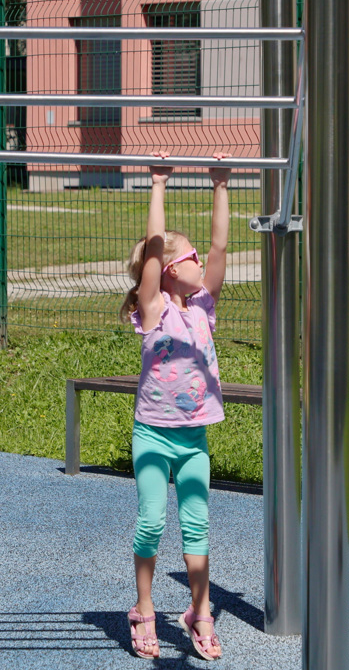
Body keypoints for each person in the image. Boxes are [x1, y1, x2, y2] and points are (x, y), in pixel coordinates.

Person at [118, 151, 232, 661]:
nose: (199, 264)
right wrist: (158, 184)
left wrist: (221, 185)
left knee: (197, 524)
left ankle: (198, 611)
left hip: (193, 436)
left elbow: (220, 244)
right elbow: (154, 252)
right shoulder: (155, 308)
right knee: (150, 522)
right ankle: (144, 608)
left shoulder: (203, 307)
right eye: (187, 260)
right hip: (153, 433)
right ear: (165, 270)